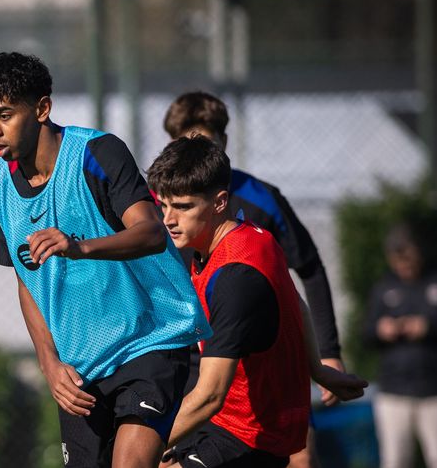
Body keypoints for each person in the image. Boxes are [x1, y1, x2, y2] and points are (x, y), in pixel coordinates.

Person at [0, 52, 211, 468]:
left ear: (42, 108)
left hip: (150, 341)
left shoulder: (96, 154)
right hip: (80, 365)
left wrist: (79, 246)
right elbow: (27, 282)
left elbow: (152, 233)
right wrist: (49, 364)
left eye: (5, 114)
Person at [146, 137, 366, 468]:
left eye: (183, 207)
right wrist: (316, 368)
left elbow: (210, 396)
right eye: (164, 205)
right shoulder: (248, 236)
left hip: (247, 435)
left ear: (220, 202)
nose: (169, 219)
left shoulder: (236, 277)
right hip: (233, 425)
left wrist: (142, 451)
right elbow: (295, 303)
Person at [364, 224, 437, 468]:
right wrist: (382, 330)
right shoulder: (384, 287)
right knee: (395, 460)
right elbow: (366, 333)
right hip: (394, 390)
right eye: (398, 259)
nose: (404, 265)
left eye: (408, 257)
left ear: (419, 252)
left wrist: (429, 328)